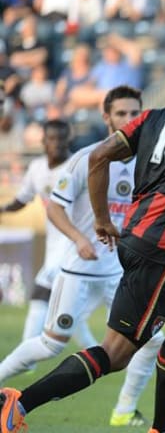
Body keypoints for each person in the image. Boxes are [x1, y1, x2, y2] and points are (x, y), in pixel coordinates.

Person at [0, 53, 165, 433]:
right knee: (116, 353)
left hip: (143, 243)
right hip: (163, 255)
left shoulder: (155, 116)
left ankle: (164, 427)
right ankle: (19, 403)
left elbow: (100, 155)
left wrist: (103, 219)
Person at [0, 86, 162, 427]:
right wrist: (77, 239)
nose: (129, 120)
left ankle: (123, 410)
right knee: (49, 345)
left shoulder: (148, 163)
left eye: (135, 113)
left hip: (119, 272)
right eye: (121, 113)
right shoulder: (87, 158)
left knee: (153, 339)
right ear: (106, 117)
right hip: (80, 270)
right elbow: (56, 209)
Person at [0, 119, 99, 363]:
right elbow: (23, 198)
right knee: (69, 312)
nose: (56, 143)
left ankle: (23, 359)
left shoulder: (78, 166)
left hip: (74, 244)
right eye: (51, 138)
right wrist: (3, 209)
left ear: (69, 139)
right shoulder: (36, 168)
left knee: (40, 291)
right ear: (43, 140)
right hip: (54, 245)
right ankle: (98, 354)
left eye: (61, 138)